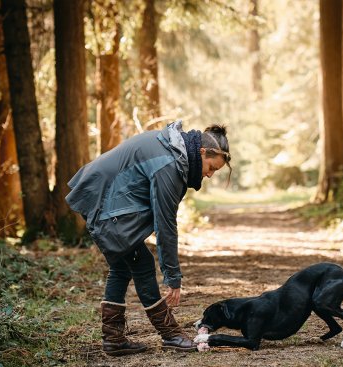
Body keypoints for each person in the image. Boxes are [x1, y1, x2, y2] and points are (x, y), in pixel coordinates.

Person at [65, 120, 231, 355]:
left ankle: (114, 339)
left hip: (101, 193)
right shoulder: (170, 164)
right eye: (211, 167)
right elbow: (165, 224)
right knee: (140, 263)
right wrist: (173, 277)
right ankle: (170, 334)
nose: (210, 175)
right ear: (202, 152)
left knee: (123, 267)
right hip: (102, 197)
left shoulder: (174, 151)